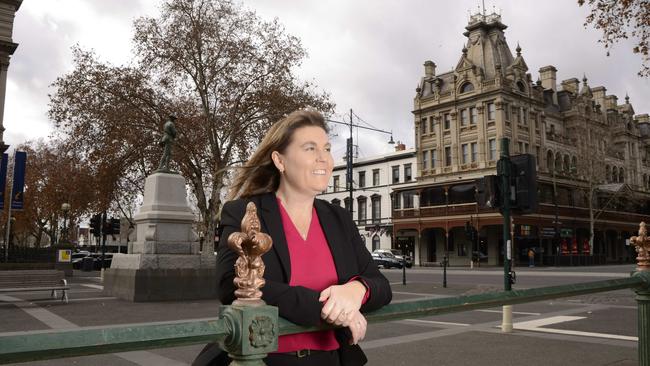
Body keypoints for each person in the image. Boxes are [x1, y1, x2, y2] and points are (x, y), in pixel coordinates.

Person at [198, 109, 392, 366]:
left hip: (331, 360)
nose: (324, 158)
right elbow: (230, 284)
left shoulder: (339, 219)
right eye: (310, 149)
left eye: (326, 148)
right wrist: (328, 307)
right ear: (280, 160)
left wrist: (357, 291)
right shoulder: (244, 212)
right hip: (264, 360)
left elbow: (380, 284)